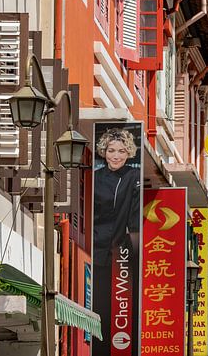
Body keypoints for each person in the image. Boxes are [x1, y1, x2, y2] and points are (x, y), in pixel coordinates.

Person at [92, 127, 141, 356]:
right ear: (104, 152)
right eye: (111, 150)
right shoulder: (96, 177)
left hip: (120, 250)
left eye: (122, 151)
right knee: (97, 302)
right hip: (95, 246)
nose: (116, 156)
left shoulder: (133, 176)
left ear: (129, 152)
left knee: (120, 304)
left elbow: (134, 213)